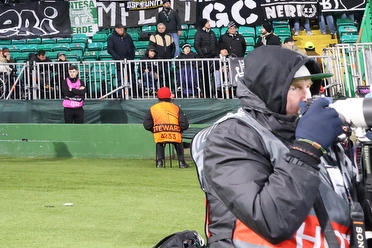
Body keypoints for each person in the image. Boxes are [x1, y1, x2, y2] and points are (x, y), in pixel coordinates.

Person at [192, 46, 350, 248]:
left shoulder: (312, 134)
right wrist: (307, 149)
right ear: (270, 88)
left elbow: (351, 211)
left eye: (309, 86)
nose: (306, 97)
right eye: (295, 87)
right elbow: (272, 220)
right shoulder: (231, 135)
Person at [143, 87, 189, 168]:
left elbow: (147, 125)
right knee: (178, 141)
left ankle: (160, 162)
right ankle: (182, 162)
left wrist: (155, 130)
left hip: (160, 134)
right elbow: (184, 124)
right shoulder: (176, 108)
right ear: (169, 97)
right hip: (175, 134)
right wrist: (180, 130)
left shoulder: (153, 108)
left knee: (160, 142)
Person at [106, 24, 136, 98]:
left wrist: (132, 57)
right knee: (120, 79)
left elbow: (132, 47)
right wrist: (118, 58)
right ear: (116, 29)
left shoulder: (128, 36)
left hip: (129, 62)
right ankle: (121, 94)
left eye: (122, 28)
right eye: (120, 29)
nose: (121, 30)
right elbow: (110, 49)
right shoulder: (111, 38)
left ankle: (134, 93)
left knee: (132, 78)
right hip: (119, 62)